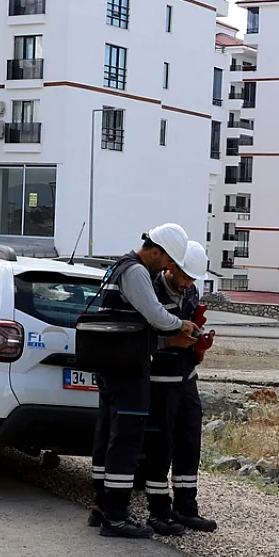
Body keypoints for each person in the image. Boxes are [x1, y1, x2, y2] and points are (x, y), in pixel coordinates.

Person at [89, 224, 200, 538]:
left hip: (115, 365)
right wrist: (182, 326)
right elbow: (155, 316)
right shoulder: (136, 272)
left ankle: (103, 507)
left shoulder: (120, 266)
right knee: (126, 439)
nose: (166, 268)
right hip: (128, 368)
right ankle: (115, 515)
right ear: (156, 251)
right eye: (166, 260)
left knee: (110, 435)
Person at [140, 240, 217, 535]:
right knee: (160, 446)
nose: (187, 285)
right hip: (160, 381)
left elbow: (190, 321)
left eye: (192, 280)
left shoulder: (191, 290)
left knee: (189, 442)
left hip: (186, 379)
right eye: (184, 278)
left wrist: (198, 339)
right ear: (171, 267)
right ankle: (158, 510)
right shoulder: (152, 291)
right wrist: (170, 342)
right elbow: (146, 335)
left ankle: (186, 507)